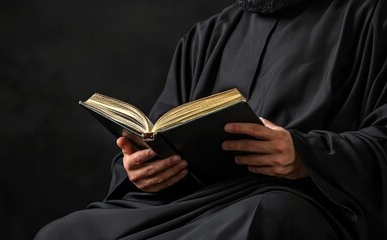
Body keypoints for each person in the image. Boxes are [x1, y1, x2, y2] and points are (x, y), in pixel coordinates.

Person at [35, 0, 387, 239]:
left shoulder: (372, 16)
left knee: (265, 217)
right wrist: (139, 170)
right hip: (190, 201)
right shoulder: (208, 34)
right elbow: (158, 131)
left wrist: (303, 156)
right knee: (63, 233)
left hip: (297, 198)